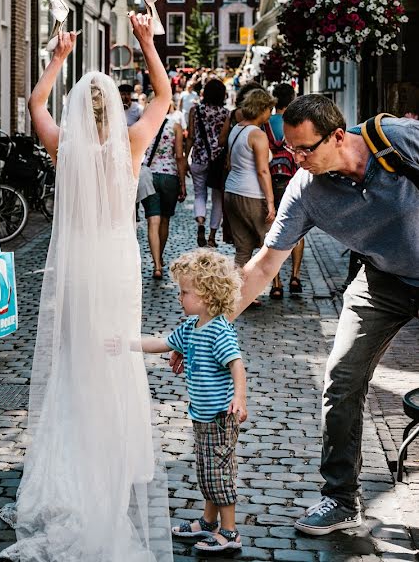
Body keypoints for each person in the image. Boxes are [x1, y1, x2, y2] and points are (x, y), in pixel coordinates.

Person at [172, 95, 419, 536]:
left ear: (339, 136)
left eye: (307, 149)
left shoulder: (396, 139)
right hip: (383, 281)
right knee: (341, 380)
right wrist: (207, 326)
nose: (298, 160)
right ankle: (341, 498)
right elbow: (265, 265)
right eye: (290, 150)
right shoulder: (306, 190)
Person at [0, 14, 174, 561]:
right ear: (116, 113)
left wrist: (56, 56)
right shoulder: (132, 147)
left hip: (76, 270)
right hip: (117, 267)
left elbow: (34, 107)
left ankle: (70, 461)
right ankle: (113, 452)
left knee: (74, 361)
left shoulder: (64, 150)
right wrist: (147, 41)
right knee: (115, 355)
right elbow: (164, 96)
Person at [141, 249, 247, 553]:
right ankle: (208, 521)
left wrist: (239, 397)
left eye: (185, 292)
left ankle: (230, 532)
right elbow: (161, 343)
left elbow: (237, 365)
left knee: (219, 473)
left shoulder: (218, 330)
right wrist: (128, 343)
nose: (179, 297)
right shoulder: (191, 327)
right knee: (207, 470)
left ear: (206, 296)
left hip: (219, 416)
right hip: (201, 416)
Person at [223, 89, 277, 270]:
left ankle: (240, 293)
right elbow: (262, 171)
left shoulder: (237, 129)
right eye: (270, 109)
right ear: (261, 109)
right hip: (251, 194)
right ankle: (266, 286)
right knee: (268, 245)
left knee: (243, 248)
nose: (271, 113)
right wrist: (270, 202)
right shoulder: (257, 135)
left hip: (231, 191)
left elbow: (230, 163)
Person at [263, 83, 305, 299]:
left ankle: (276, 284)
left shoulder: (265, 124)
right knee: (298, 228)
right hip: (295, 177)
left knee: (273, 229)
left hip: (272, 177)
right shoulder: (296, 123)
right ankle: (295, 276)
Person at [140, 99, 187, 279]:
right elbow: (179, 156)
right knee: (165, 220)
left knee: (153, 220)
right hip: (169, 176)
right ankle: (160, 256)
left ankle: (157, 265)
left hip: (148, 175)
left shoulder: (144, 126)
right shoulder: (175, 126)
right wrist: (182, 183)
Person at [185, 79, 230, 248]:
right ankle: (212, 236)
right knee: (217, 198)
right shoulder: (226, 113)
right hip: (217, 162)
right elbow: (226, 140)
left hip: (198, 158)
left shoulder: (195, 110)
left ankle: (200, 223)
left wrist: (185, 156)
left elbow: (190, 136)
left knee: (199, 194)